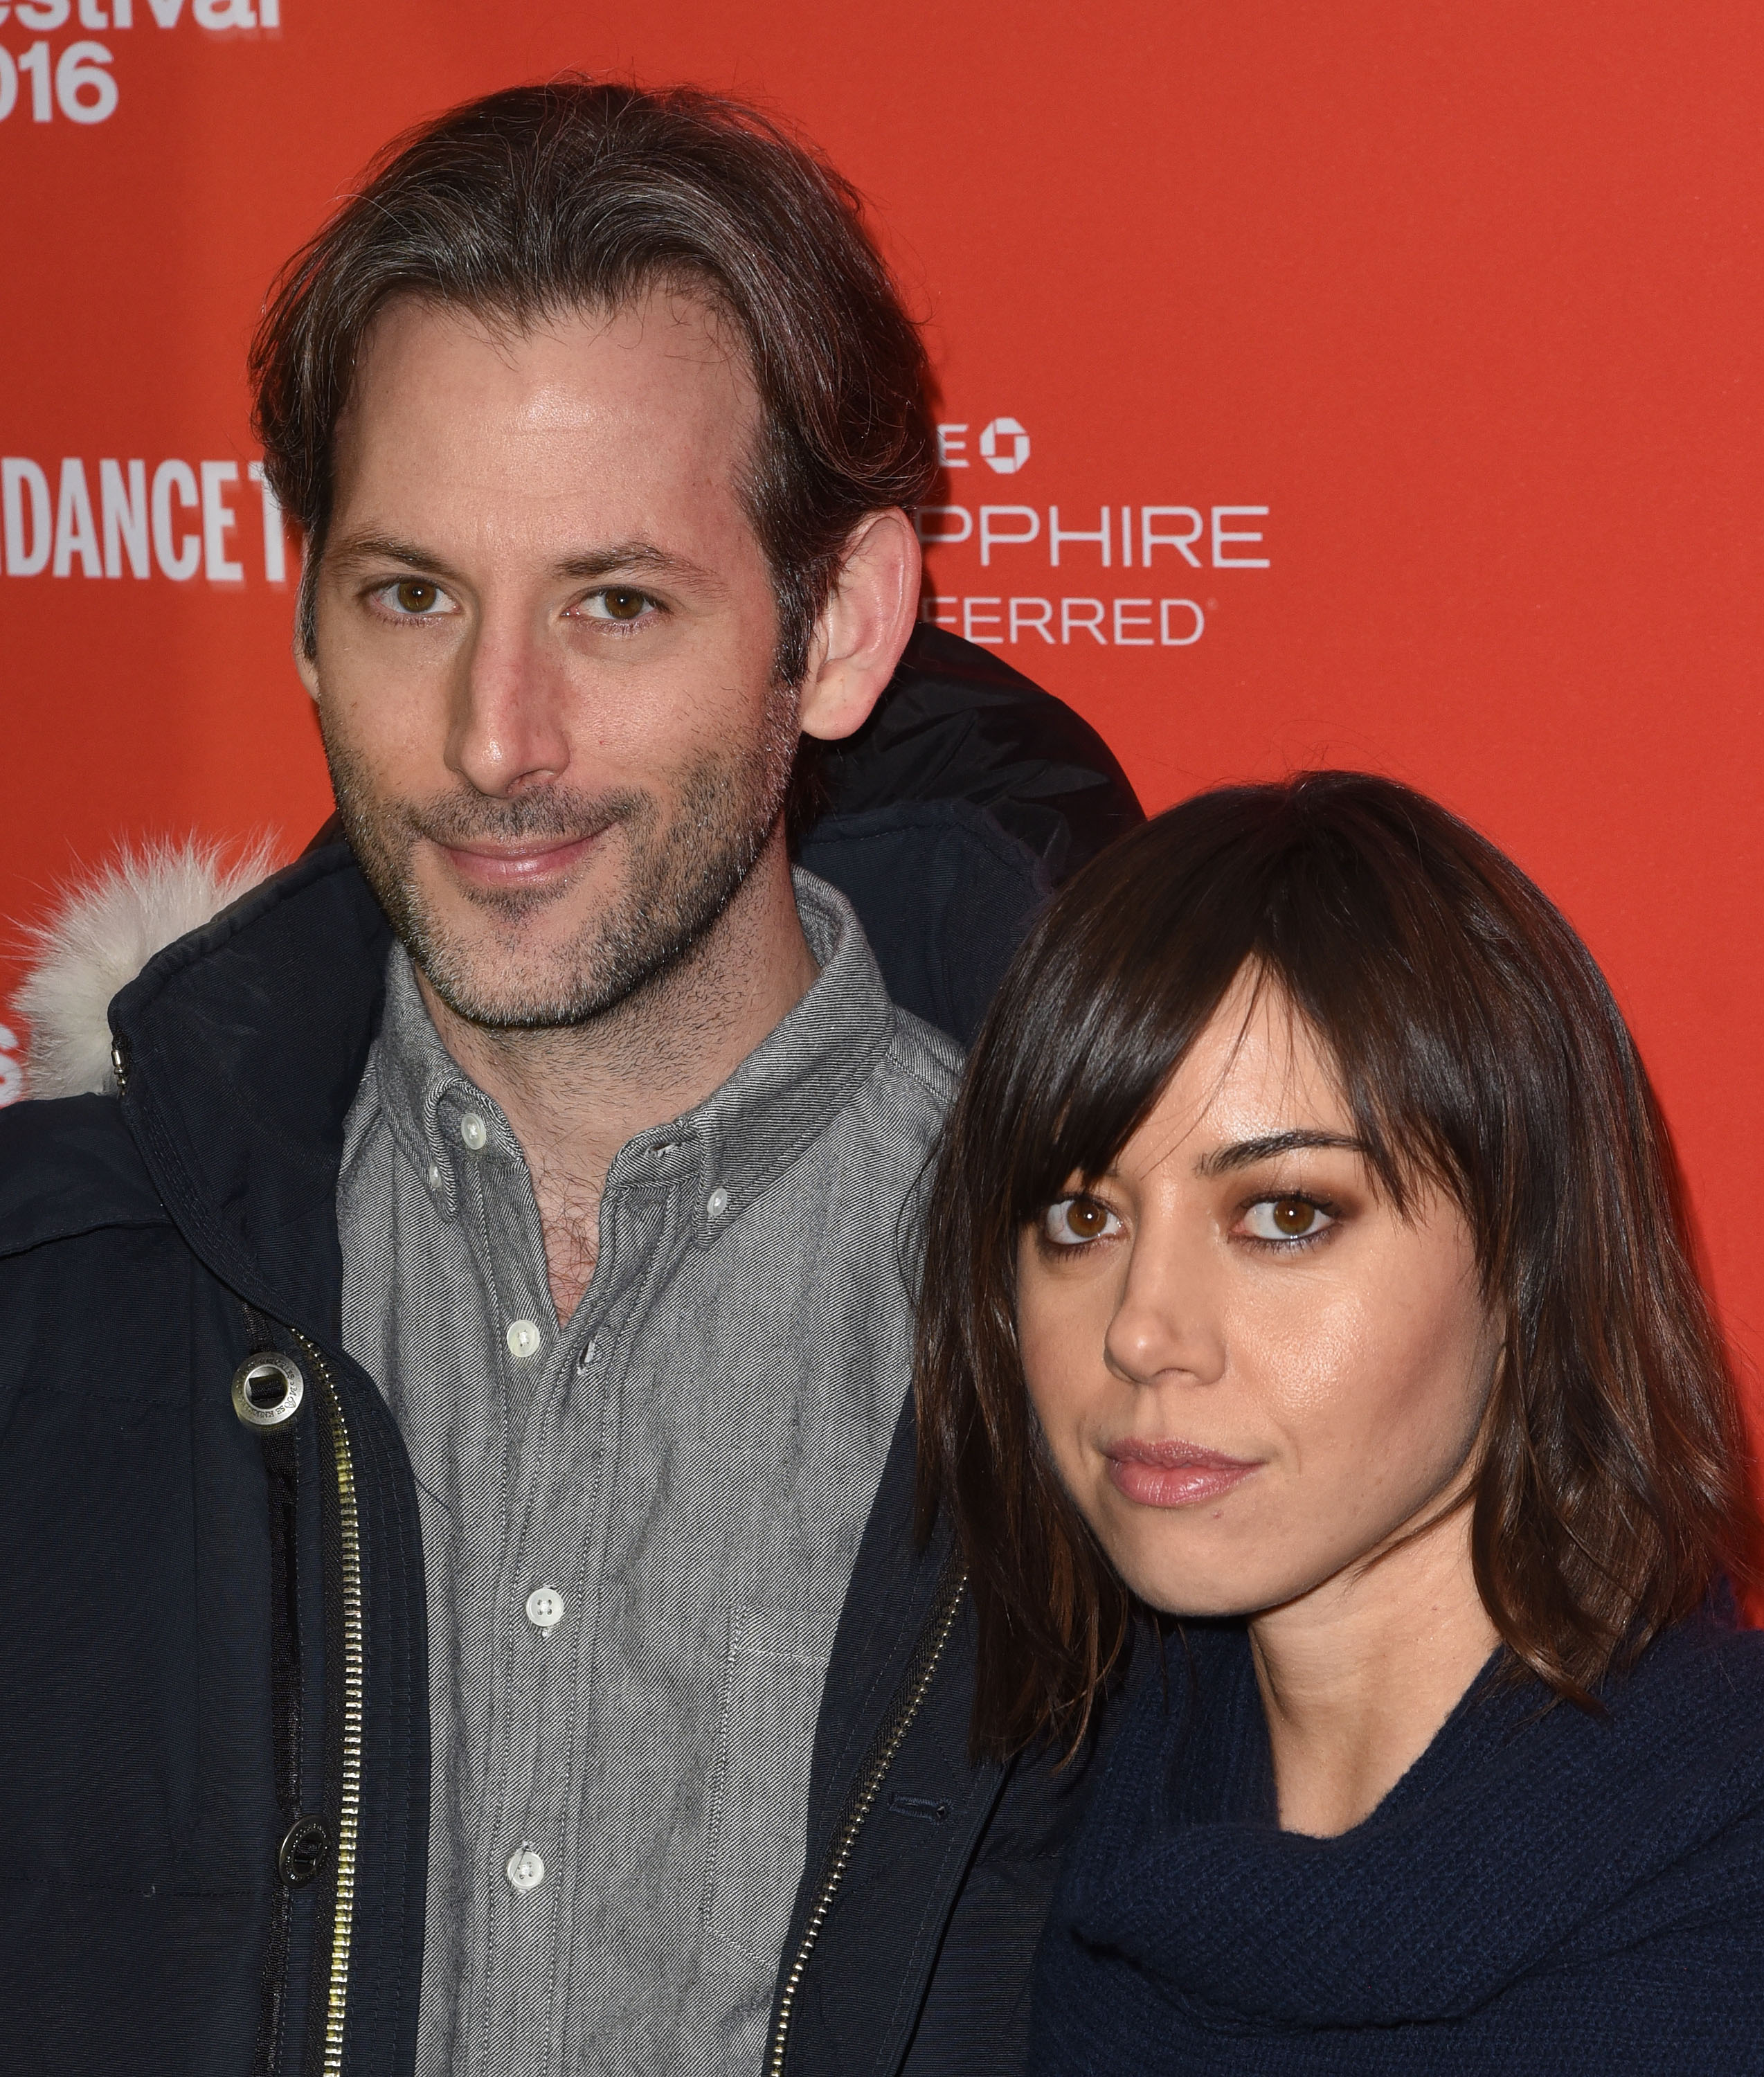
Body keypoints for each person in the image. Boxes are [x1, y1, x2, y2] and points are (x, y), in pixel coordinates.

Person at [0, 82, 1140, 2077]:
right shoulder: (64, 1295)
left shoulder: (1119, 1323)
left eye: (615, 603)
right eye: (410, 594)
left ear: (842, 627)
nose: (492, 737)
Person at [915, 772, 1764, 2075]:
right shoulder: (999, 1839)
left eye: (1286, 1214)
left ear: (1528, 1260)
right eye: (1082, 1217)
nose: (1140, 1329)